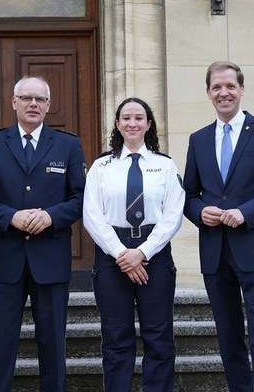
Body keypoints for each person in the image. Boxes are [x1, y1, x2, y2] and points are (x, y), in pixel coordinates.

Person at [182, 61, 254, 392]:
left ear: (242, 89)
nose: (224, 93)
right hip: (215, 252)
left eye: (230, 86)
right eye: (217, 87)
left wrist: (245, 213)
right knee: (228, 338)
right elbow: (189, 194)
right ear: (208, 93)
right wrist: (200, 211)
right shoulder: (198, 139)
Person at [0, 76, 86, 392]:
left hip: (50, 257)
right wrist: (11, 217)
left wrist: (50, 216)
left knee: (52, 343)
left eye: (39, 99)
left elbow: (80, 199)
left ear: (48, 105)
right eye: (26, 98)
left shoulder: (68, 145)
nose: (33, 104)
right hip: (4, 258)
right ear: (14, 102)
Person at [83, 97, 185, 392]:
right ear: (117, 124)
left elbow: (173, 214)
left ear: (148, 124)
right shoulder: (102, 166)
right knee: (116, 338)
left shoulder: (164, 166)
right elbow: (92, 214)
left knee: (159, 337)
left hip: (154, 252)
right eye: (126, 117)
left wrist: (142, 252)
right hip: (112, 254)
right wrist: (121, 254)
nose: (132, 123)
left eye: (139, 118)